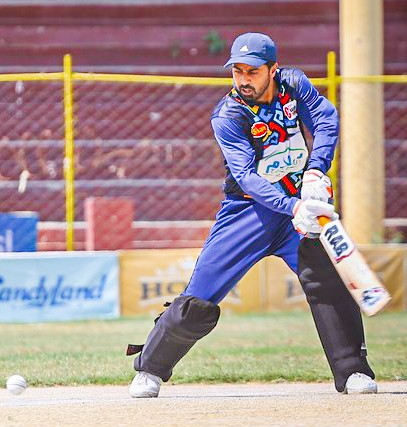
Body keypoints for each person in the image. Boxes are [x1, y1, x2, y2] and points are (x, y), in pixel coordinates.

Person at [127, 33, 377, 398]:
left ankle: (353, 371)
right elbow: (246, 177)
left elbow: (325, 119)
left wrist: (315, 172)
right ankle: (149, 369)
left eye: (253, 71)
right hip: (247, 213)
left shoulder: (294, 84)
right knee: (199, 298)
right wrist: (294, 206)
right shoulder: (228, 115)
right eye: (238, 71)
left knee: (327, 282)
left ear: (273, 69)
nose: (244, 79)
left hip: (297, 211)